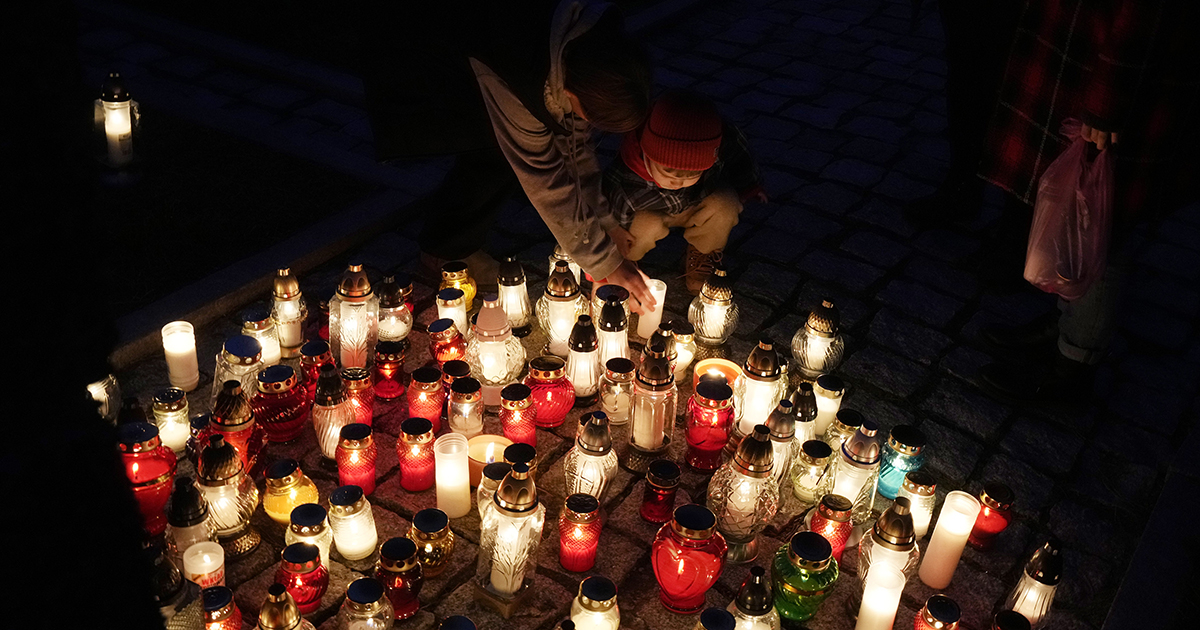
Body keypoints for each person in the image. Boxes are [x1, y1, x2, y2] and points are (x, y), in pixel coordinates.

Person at [356, 0, 657, 312]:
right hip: (420, 51)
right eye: (590, 117)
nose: (588, 125)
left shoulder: (593, 53)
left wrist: (606, 225)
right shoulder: (521, 72)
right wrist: (606, 264)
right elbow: (545, 179)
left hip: (481, 44)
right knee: (500, 148)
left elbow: (576, 147)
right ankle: (447, 250)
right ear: (570, 93)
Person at [973, 0, 1198, 403]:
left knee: (1102, 225)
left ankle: (1074, 362)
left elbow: (1139, 19)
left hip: (1114, 83)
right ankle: (1067, 324)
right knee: (1081, 216)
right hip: (1089, 62)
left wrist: (1106, 106)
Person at [601, 89, 764, 295]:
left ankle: (703, 252)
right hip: (649, 213)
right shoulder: (627, 181)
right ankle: (628, 266)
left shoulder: (723, 140)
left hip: (696, 204)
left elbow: (740, 156)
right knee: (636, 231)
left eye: (692, 174)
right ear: (648, 153)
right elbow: (611, 217)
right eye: (667, 172)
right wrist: (615, 260)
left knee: (726, 203)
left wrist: (750, 185)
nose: (678, 182)